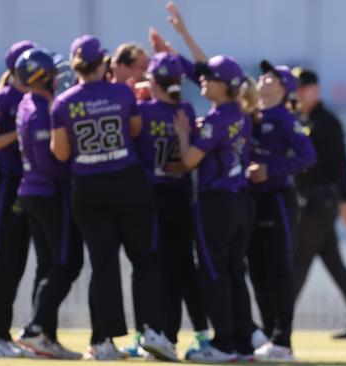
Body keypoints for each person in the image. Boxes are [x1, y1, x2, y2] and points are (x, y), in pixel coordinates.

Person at [49, 34, 176, 361]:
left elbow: (61, 152)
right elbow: (134, 129)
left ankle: (102, 341)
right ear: (103, 62)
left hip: (88, 187)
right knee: (144, 260)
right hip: (126, 181)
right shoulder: (121, 92)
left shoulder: (63, 103)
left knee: (103, 265)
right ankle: (153, 332)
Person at [173, 55, 255, 362]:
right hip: (242, 201)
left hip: (217, 202)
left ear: (227, 86)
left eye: (210, 78)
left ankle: (223, 344)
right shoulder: (242, 114)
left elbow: (189, 161)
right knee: (234, 271)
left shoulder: (218, 118)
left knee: (213, 270)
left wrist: (183, 135)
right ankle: (244, 344)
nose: (203, 80)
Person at [133, 52, 209, 360]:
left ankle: (161, 334)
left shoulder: (142, 111)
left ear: (153, 80)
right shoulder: (186, 110)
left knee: (158, 269)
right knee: (182, 269)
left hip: (154, 197)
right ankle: (185, 334)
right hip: (181, 195)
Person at [12, 48, 83, 360]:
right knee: (67, 263)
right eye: (51, 72)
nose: (58, 76)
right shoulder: (41, 109)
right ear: (41, 76)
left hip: (33, 192)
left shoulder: (31, 102)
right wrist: (74, 170)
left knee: (49, 265)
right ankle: (37, 328)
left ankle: (46, 337)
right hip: (47, 193)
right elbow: (49, 160)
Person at [291, 68, 346, 339]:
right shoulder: (300, 119)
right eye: (296, 88)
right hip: (310, 200)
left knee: (298, 260)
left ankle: (278, 323)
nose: (299, 93)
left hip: (321, 200)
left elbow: (340, 163)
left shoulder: (326, 122)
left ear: (315, 89)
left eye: (303, 88)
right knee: (334, 264)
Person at [247, 60, 316, 361]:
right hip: (252, 199)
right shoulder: (250, 114)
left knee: (278, 269)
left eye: (271, 77)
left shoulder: (286, 119)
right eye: (263, 75)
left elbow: (307, 156)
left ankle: (283, 341)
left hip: (277, 198)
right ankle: (269, 335)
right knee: (258, 271)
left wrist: (270, 170)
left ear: (283, 87)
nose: (263, 79)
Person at [0, 40, 41, 358]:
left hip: (23, 185)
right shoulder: (5, 97)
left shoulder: (32, 98)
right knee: (6, 262)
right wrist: (18, 134)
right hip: (4, 185)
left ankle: (2, 333)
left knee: (16, 263)